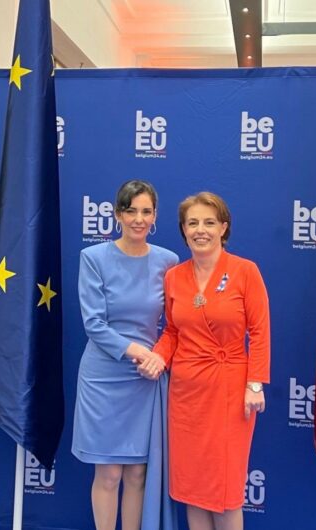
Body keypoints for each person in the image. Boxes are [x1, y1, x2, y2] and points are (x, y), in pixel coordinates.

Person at [147, 191, 270, 530]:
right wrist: (158, 356)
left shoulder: (245, 271)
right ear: (183, 230)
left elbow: (260, 332)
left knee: (226, 493)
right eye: (192, 223)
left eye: (209, 222)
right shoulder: (174, 276)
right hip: (186, 395)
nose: (200, 230)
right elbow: (172, 331)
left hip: (230, 392)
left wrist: (255, 384)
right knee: (193, 488)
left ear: (223, 228)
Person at [72, 179, 178, 530]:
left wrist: (156, 358)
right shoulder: (93, 258)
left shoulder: (168, 261)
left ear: (155, 216)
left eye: (146, 212)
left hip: (145, 379)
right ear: (117, 214)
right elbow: (94, 324)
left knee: (136, 473)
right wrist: (138, 352)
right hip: (104, 376)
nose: (139, 219)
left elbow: (175, 324)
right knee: (109, 474)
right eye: (131, 211)